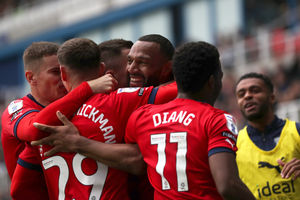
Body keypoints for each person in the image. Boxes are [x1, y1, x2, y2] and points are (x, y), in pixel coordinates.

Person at [32, 41, 255, 200]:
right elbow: (227, 185)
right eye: (129, 62)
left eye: (140, 62)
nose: (131, 70)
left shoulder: (142, 116)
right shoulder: (215, 119)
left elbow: (21, 186)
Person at [27, 38, 177, 200]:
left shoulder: (46, 124)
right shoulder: (118, 101)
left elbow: (19, 188)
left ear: (63, 73)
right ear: (102, 69)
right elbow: (177, 89)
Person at [1, 41, 116, 200]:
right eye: (55, 72)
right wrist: (87, 87)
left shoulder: (75, 105)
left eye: (65, 71)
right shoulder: (17, 108)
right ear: (31, 77)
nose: (63, 77)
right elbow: (35, 129)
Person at [235, 72, 300, 199]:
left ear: (272, 97)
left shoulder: (296, 131)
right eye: (241, 94)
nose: (247, 96)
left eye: (255, 90)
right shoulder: (234, 145)